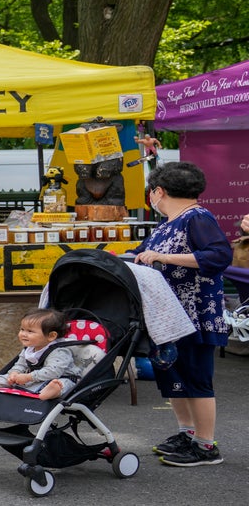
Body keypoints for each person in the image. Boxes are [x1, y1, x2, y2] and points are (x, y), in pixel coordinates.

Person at [132, 162, 231, 467]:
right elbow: (142, 254)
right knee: (174, 377)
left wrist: (163, 256)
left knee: (196, 379)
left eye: (152, 192)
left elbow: (219, 255)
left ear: (158, 191)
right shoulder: (168, 223)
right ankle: (187, 434)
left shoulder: (197, 217)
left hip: (195, 315)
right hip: (169, 317)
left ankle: (205, 445)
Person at [0, 308, 84, 401]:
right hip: (35, 378)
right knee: (6, 378)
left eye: (30, 331)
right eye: (22, 329)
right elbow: (20, 364)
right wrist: (14, 373)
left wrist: (28, 377)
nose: (23, 334)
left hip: (62, 378)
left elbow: (53, 372)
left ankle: (53, 391)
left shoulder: (59, 351)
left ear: (51, 336)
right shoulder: (29, 349)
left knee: (62, 384)